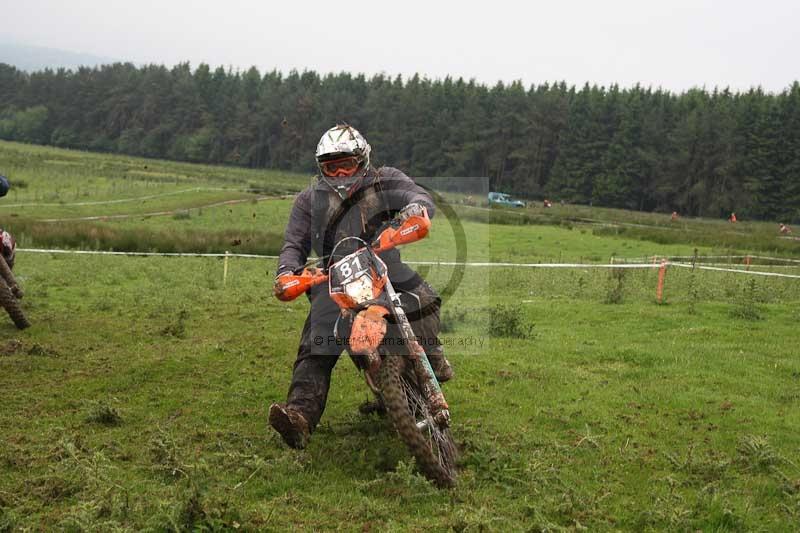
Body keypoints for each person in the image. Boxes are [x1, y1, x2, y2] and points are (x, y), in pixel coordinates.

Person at [268, 124, 453, 449]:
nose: (339, 173)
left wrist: (415, 209)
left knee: (424, 298)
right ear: (320, 169)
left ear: (362, 160)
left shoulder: (384, 181)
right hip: (333, 278)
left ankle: (432, 355)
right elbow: (293, 244)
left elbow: (417, 194)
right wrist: (287, 272)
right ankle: (298, 418)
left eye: (346, 164)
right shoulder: (308, 201)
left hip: (385, 263)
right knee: (316, 344)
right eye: (330, 166)